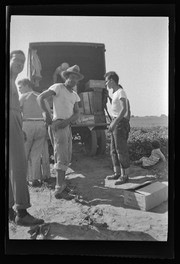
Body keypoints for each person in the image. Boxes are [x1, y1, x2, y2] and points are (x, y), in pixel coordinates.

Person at [37, 65, 83, 199]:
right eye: (71, 77)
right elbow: (40, 97)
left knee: (66, 156)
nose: (73, 80)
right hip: (58, 124)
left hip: (67, 125)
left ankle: (62, 185)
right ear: (67, 77)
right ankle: (59, 189)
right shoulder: (58, 87)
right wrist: (46, 113)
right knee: (61, 156)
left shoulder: (74, 95)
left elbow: (77, 113)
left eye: (76, 78)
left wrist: (68, 122)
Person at [9, 50, 44, 226]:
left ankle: (9, 210)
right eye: (17, 60)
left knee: (11, 168)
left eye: (23, 61)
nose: (20, 63)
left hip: (15, 124)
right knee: (19, 167)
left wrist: (19, 127)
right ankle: (21, 213)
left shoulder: (14, 82)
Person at [18, 78, 51, 186]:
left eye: (20, 87)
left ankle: (24, 178)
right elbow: (48, 113)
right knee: (36, 153)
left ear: (27, 85)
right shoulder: (41, 96)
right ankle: (35, 179)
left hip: (27, 124)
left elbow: (17, 112)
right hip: (40, 124)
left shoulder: (23, 97)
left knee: (24, 152)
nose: (19, 90)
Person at [105, 71, 131, 185]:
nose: (106, 83)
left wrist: (115, 123)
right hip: (116, 123)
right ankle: (117, 173)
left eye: (107, 81)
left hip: (119, 123)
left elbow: (124, 109)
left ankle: (125, 175)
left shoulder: (121, 92)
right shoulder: (115, 93)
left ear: (111, 80)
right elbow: (117, 107)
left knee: (121, 150)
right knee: (113, 150)